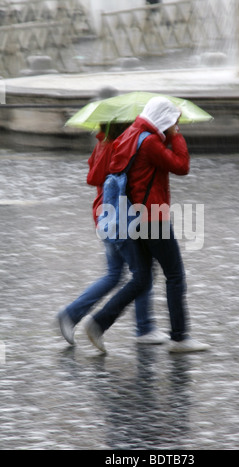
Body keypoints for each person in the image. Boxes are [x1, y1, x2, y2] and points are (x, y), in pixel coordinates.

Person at [85, 97, 209, 353]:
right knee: (174, 275)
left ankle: (98, 322)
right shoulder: (150, 141)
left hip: (133, 218)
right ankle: (180, 338)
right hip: (153, 217)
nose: (175, 125)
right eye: (173, 120)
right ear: (164, 118)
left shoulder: (130, 135)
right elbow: (181, 166)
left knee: (141, 278)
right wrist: (177, 137)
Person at [57, 122, 167, 347]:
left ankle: (70, 315)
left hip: (104, 216)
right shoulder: (119, 147)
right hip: (120, 218)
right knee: (142, 272)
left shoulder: (101, 144)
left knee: (115, 274)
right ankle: (144, 328)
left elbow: (92, 177)